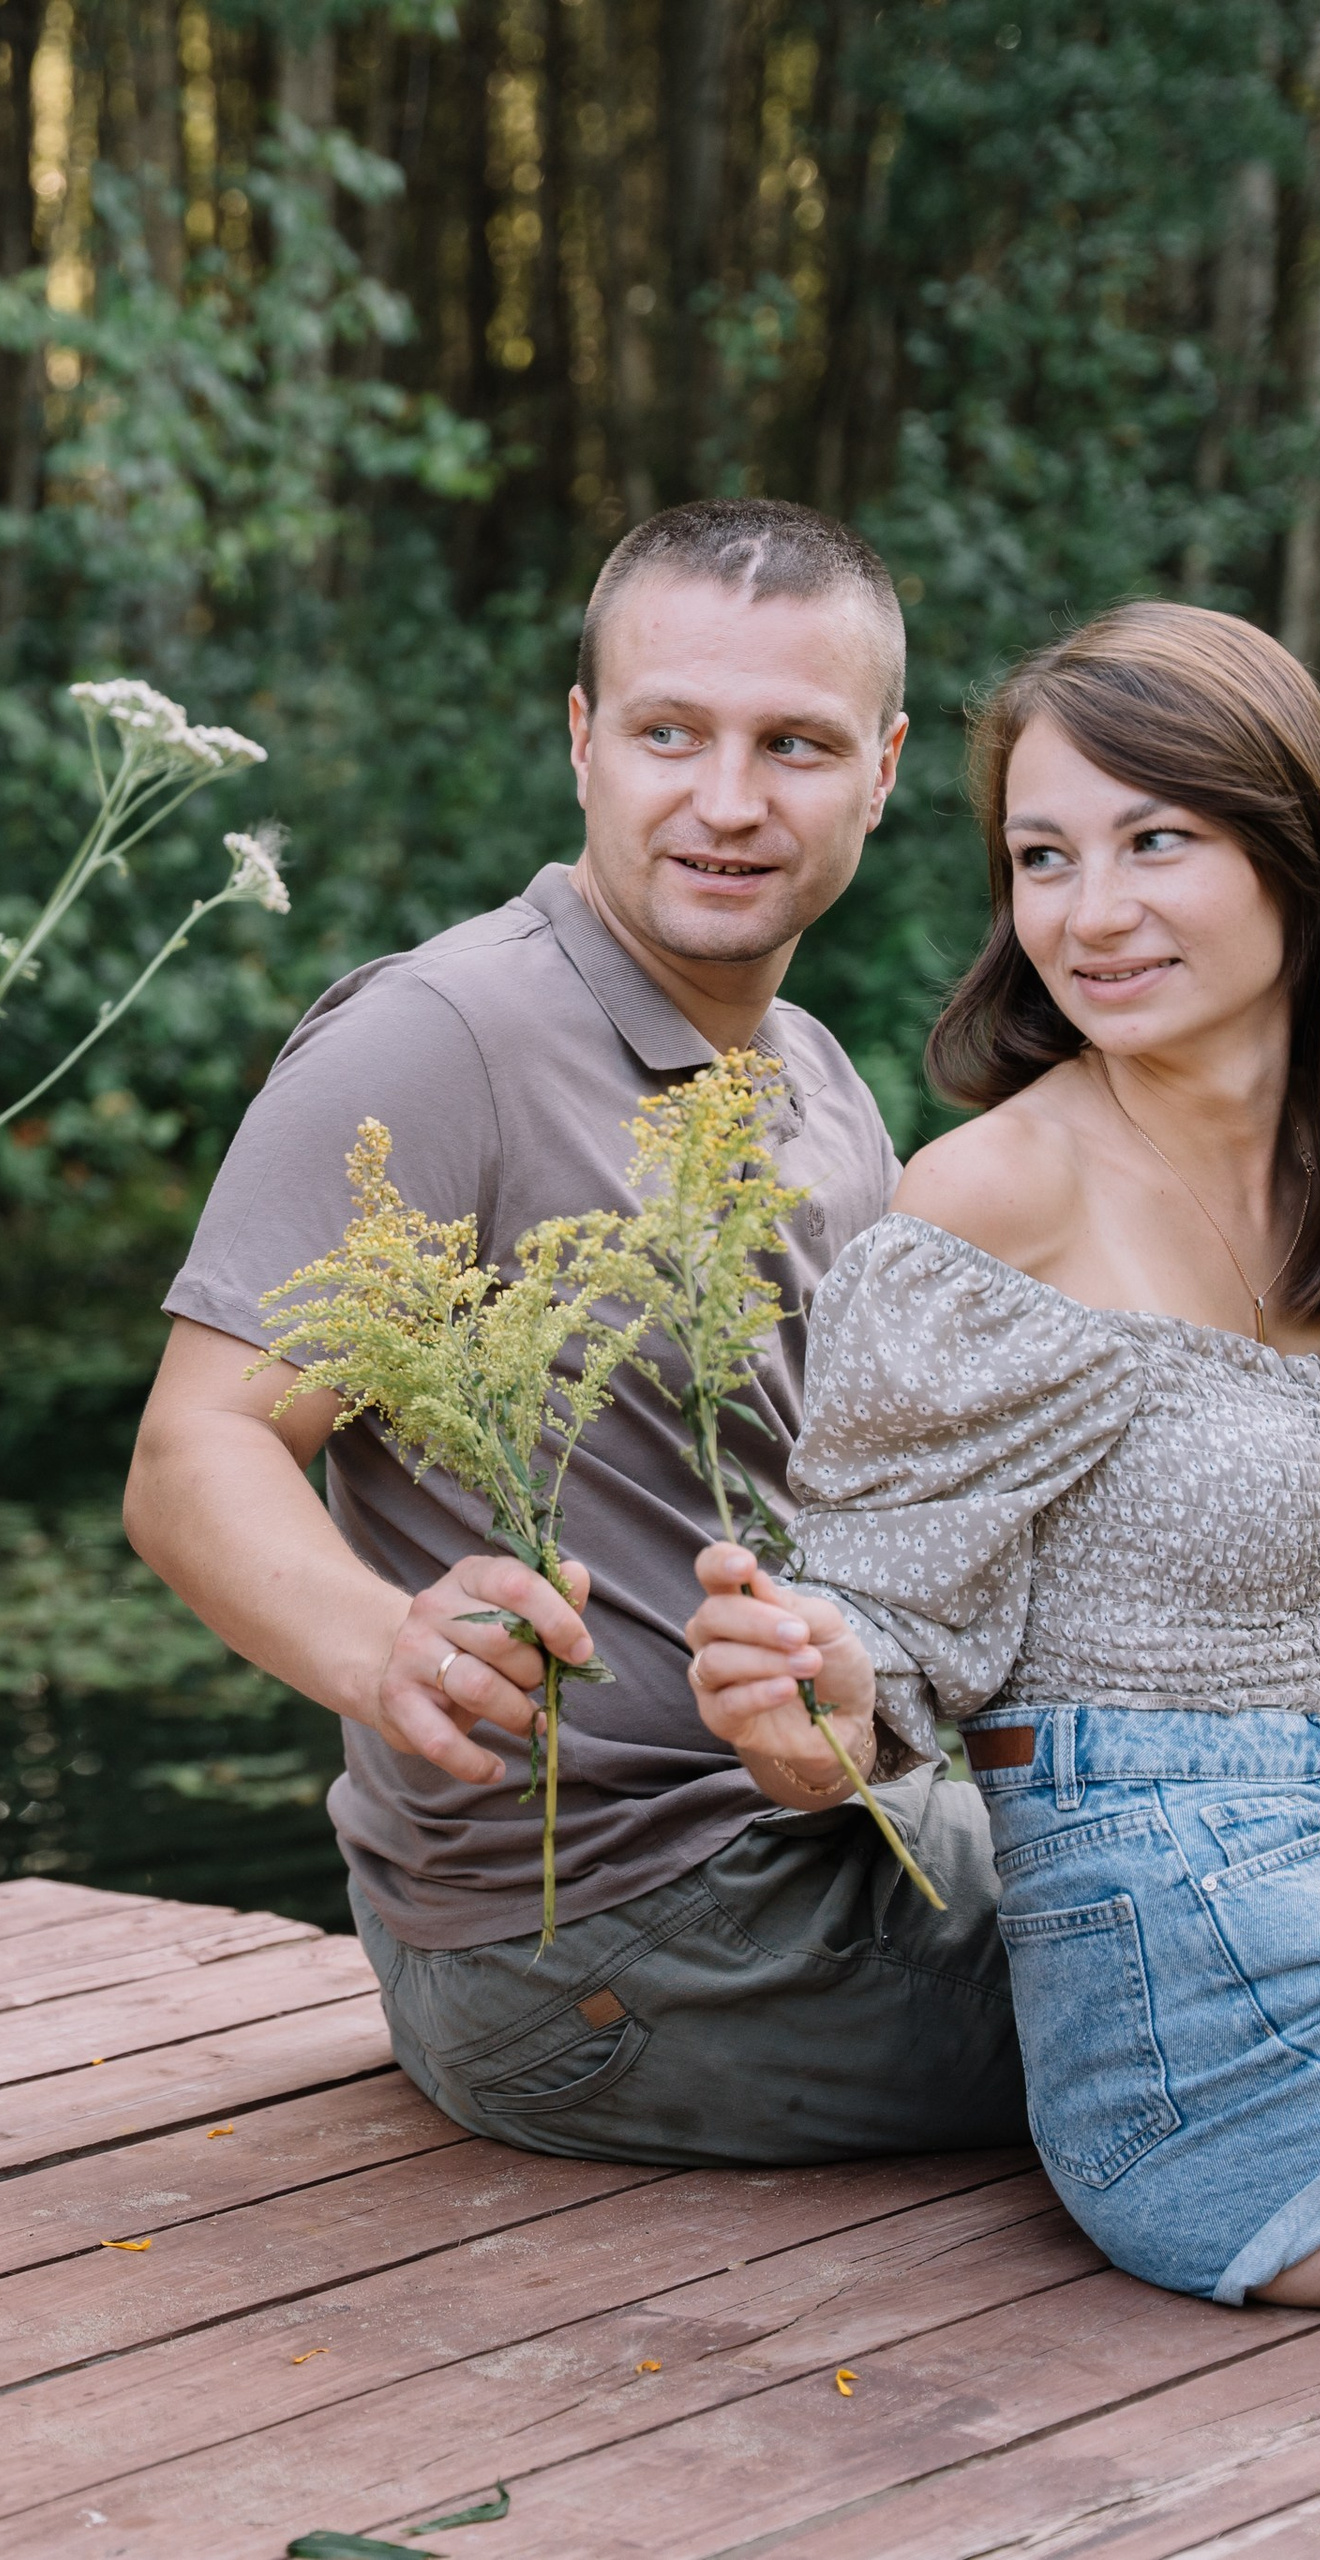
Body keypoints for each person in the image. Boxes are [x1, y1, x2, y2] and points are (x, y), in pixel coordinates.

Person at [128, 497, 1026, 2167]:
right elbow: (200, 1452)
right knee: (1223, 1997)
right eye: (670, 731)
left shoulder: (820, 1081)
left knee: (1223, 1892)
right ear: (582, 742)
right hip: (599, 1950)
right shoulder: (440, 1041)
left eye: (798, 745)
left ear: (886, 768)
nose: (729, 800)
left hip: (824, 1839)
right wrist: (382, 1645)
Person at [687, 600, 1320, 2306]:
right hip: (1203, 1949)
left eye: (1155, 842)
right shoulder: (999, 1198)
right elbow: (881, 1659)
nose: (1089, 914)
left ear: (1288, 848)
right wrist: (808, 1683)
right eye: (1044, 857)